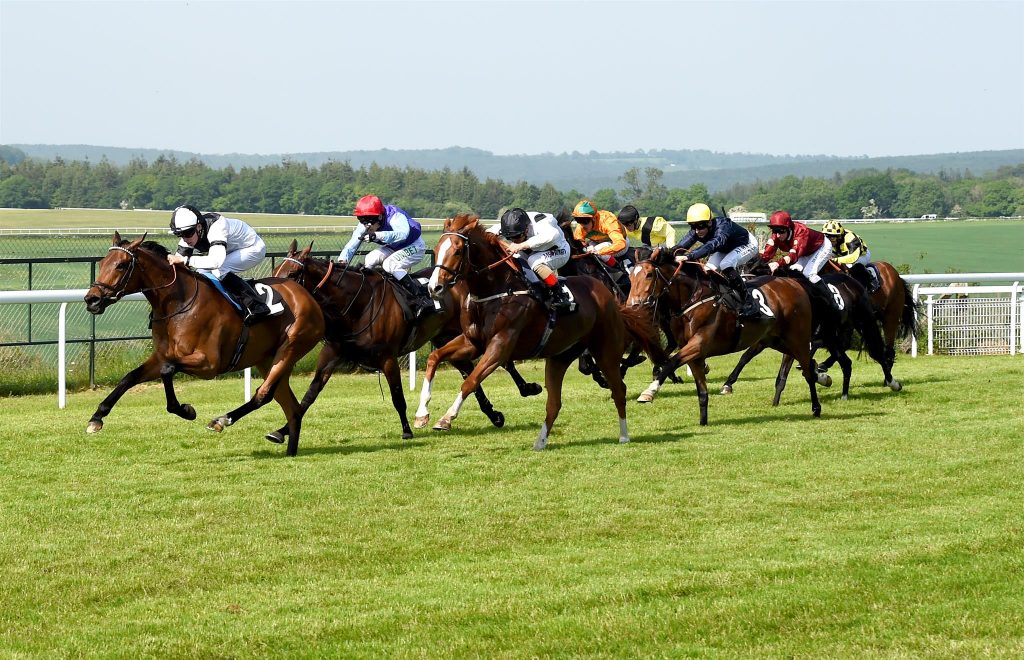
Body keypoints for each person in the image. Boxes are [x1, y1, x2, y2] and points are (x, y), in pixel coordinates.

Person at [166, 204, 270, 325]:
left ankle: (256, 305)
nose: (184, 238)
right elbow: (177, 263)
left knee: (220, 268)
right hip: (231, 250)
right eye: (180, 234)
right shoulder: (191, 233)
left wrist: (186, 260)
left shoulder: (217, 227)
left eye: (188, 233)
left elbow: (216, 262)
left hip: (252, 247)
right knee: (200, 272)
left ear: (199, 227)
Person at [337, 194, 433, 318]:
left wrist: (377, 235)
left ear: (380, 216)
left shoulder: (395, 216)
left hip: (415, 246)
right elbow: (351, 246)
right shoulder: (366, 224)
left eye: (370, 220)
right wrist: (342, 261)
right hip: (394, 247)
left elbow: (402, 234)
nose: (367, 225)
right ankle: (370, 296)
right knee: (370, 258)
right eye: (362, 220)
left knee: (390, 264)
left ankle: (420, 298)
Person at [673, 203, 761, 318]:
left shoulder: (723, 226)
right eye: (692, 226)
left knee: (726, 264)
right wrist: (666, 254)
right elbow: (680, 247)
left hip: (747, 243)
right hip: (725, 248)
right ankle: (724, 297)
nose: (696, 231)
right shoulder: (697, 230)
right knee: (707, 270)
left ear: (709, 222)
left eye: (700, 226)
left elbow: (713, 244)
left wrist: (689, 256)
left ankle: (749, 303)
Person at [489, 208, 572, 311]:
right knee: (514, 261)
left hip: (559, 250)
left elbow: (552, 235)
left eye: (517, 236)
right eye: (510, 238)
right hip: (532, 252)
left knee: (534, 261)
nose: (514, 240)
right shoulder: (509, 224)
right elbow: (488, 233)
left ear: (527, 228)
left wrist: (522, 245)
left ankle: (559, 294)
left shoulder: (541, 222)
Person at [759, 210, 838, 318]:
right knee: (793, 271)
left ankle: (831, 302)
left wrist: (777, 263)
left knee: (809, 273)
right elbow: (766, 255)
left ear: (788, 228)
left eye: (781, 231)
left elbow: (794, 255)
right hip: (805, 252)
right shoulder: (776, 236)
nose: (777, 235)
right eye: (774, 230)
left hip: (821, 247)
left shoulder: (801, 231)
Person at [821, 220, 880, 292]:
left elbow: (853, 257)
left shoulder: (850, 237)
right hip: (841, 254)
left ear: (839, 236)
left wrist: (836, 260)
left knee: (851, 265)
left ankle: (871, 278)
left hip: (861, 255)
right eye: (827, 236)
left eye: (832, 237)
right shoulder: (826, 240)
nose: (829, 240)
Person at [571, 199, 630, 267]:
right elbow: (578, 243)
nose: (582, 225)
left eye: (585, 221)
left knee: (597, 249)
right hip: (598, 242)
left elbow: (621, 244)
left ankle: (618, 269)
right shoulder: (580, 226)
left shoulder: (607, 221)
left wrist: (599, 251)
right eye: (578, 220)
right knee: (588, 249)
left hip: (620, 244)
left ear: (593, 218)